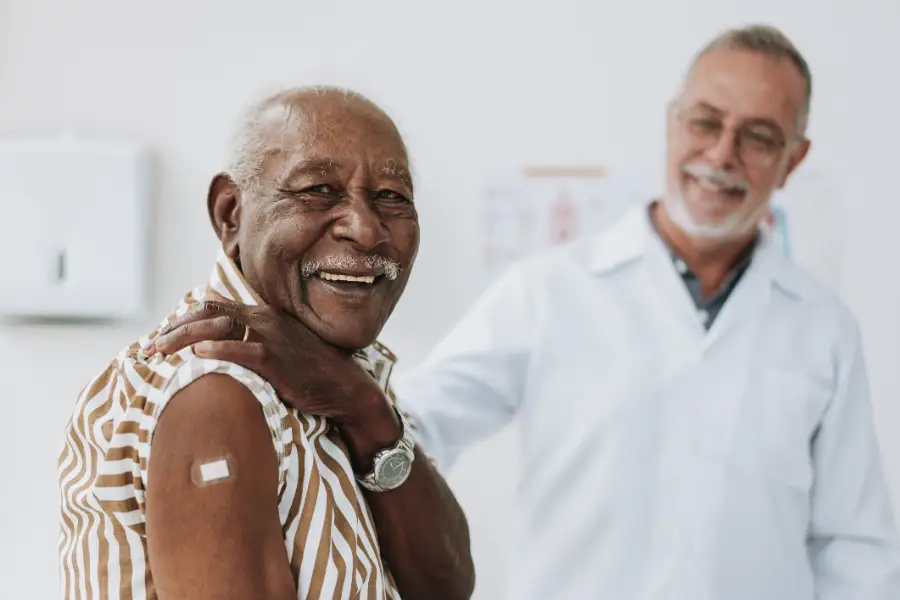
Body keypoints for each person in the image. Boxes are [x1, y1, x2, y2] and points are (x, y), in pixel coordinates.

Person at [152, 25, 900, 600]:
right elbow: (412, 424)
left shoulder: (822, 328)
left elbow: (854, 548)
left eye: (759, 137)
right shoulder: (551, 292)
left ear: (793, 159)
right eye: (706, 122)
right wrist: (319, 370)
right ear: (674, 122)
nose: (722, 153)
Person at [57, 87, 475, 600]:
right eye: (319, 189)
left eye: (391, 197)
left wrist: (366, 408)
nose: (366, 230)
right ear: (230, 213)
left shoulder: (341, 376)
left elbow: (446, 584)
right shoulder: (214, 388)